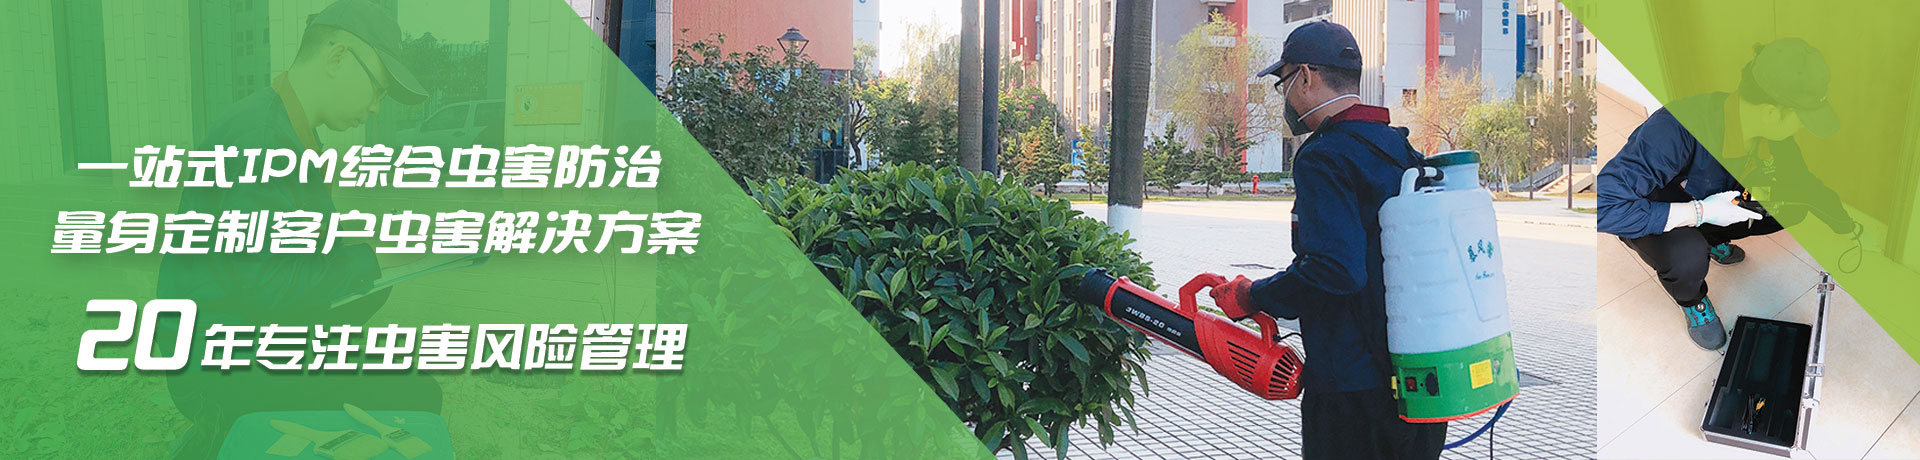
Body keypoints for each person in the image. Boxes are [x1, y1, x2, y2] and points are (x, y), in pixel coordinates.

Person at [155, 1, 433, 456]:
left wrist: (372, 248)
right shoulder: (262, 140)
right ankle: (222, 425)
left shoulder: (285, 128)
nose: (374, 108)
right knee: (414, 395)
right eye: (377, 90)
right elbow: (272, 282)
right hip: (217, 367)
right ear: (337, 58)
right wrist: (373, 257)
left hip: (246, 332)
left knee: (385, 330)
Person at [1208, 20, 1447, 460]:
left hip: (1353, 392)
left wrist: (1253, 295)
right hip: (1417, 379)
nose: (1284, 96)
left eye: (1283, 82)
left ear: (1306, 76)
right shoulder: (1399, 149)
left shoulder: (1324, 156)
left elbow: (1334, 270)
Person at [1596, 37, 1855, 351]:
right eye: (1801, 121)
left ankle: (1711, 238)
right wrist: (1700, 213)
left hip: (1712, 203)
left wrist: (1846, 226)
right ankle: (1693, 300)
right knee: (1687, 255)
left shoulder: (1772, 137)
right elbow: (1603, 207)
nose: (1801, 129)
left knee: (1789, 207)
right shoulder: (1676, 130)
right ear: (1773, 112)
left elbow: (1804, 184)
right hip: (1650, 214)